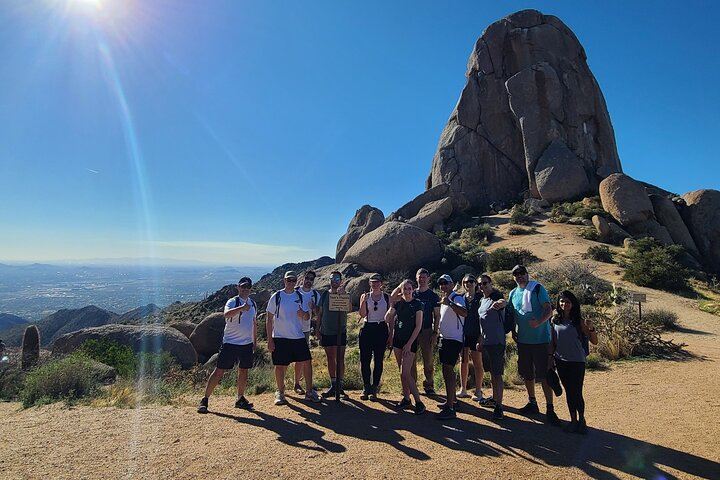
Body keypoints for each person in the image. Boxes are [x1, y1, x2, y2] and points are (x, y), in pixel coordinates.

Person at [506, 264, 560, 425]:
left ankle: (550, 408)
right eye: (516, 274)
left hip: (541, 339)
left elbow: (548, 309)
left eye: (522, 273)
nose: (519, 276)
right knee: (527, 373)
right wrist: (513, 330)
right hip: (523, 340)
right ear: (513, 277)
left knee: (544, 374)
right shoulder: (513, 293)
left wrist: (539, 322)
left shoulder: (537, 288)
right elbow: (513, 313)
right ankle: (532, 402)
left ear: (527, 274)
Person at [198, 277, 257, 414]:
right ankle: (205, 399)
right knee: (219, 371)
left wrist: (255, 341)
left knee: (243, 371)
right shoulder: (232, 301)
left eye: (248, 287)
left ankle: (240, 398)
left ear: (250, 288)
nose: (245, 289)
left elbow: (254, 323)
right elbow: (226, 314)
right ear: (238, 287)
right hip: (230, 343)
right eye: (243, 287)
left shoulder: (253, 304)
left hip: (246, 344)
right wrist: (242, 308)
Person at [266, 271, 321, 405]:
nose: (291, 283)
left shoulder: (300, 296)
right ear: (284, 280)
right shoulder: (277, 296)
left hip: (297, 336)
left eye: (293, 280)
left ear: (296, 281)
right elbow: (269, 319)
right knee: (280, 365)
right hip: (280, 336)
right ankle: (280, 392)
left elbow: (308, 316)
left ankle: (309, 392)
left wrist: (304, 314)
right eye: (288, 280)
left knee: (307, 361)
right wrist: (270, 340)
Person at [551, 290, 598, 434]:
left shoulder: (579, 321)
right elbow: (553, 341)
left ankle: (581, 420)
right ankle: (573, 420)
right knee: (569, 391)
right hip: (561, 360)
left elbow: (594, 341)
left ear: (573, 304)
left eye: (568, 302)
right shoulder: (555, 320)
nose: (564, 304)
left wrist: (591, 328)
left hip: (577, 361)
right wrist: (549, 359)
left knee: (576, 391)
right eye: (562, 301)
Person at [386, 279, 426, 414]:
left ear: (413, 289)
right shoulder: (399, 303)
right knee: (402, 373)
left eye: (409, 288)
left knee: (405, 372)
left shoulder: (417, 304)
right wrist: (400, 286)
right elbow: (391, 298)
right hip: (398, 341)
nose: (407, 291)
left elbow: (418, 326)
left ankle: (419, 402)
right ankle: (406, 398)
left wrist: (409, 344)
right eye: (405, 289)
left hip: (410, 342)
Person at [435, 274, 467, 420]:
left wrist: (450, 303)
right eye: (441, 283)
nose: (443, 286)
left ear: (452, 284)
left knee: (448, 369)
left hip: (454, 339)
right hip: (445, 339)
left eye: (446, 283)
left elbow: (464, 313)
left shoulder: (456, 298)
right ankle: (452, 400)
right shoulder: (445, 300)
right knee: (446, 369)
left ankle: (450, 408)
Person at [476, 274, 507, 420]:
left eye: (485, 283)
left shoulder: (496, 296)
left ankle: (499, 407)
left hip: (497, 342)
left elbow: (502, 302)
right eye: (480, 284)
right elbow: (483, 323)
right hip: (486, 342)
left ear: (491, 283)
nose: (482, 286)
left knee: (497, 374)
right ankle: (495, 399)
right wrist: (481, 339)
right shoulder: (482, 300)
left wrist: (502, 303)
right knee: (492, 373)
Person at [358, 273, 390, 401]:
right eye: (373, 282)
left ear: (381, 283)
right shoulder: (365, 296)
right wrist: (364, 302)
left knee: (378, 360)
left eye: (377, 282)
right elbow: (362, 313)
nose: (375, 284)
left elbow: (391, 316)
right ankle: (366, 387)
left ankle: (374, 388)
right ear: (370, 284)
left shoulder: (387, 297)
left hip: (381, 328)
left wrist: (391, 334)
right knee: (365, 360)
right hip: (367, 328)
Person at [317, 271, 349, 398]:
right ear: (329, 281)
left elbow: (350, 308)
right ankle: (333, 384)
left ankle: (340, 386)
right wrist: (317, 329)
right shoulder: (325, 295)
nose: (334, 281)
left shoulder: (345, 294)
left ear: (340, 281)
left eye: (337, 279)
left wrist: (343, 296)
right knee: (330, 357)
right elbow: (319, 313)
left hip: (341, 331)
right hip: (327, 331)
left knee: (340, 358)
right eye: (332, 279)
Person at [411, 268, 441, 395]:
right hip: (411, 331)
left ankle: (429, 385)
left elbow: (437, 316)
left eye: (424, 277)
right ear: (416, 278)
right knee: (411, 360)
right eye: (419, 277)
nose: (422, 279)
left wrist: (435, 333)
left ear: (428, 279)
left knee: (428, 360)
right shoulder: (412, 294)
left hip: (427, 330)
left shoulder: (433, 296)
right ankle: (412, 385)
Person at [458, 274, 485, 402]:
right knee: (463, 361)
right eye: (465, 282)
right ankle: (463, 389)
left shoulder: (480, 298)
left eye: (470, 281)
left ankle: (478, 390)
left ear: (475, 283)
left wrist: (481, 335)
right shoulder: (461, 298)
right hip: (463, 334)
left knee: (477, 362)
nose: (468, 284)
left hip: (476, 333)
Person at [293, 270, 320, 395]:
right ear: (302, 278)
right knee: (285, 360)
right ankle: (281, 388)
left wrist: (314, 307)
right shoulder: (295, 292)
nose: (309, 281)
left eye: (311, 279)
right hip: (291, 329)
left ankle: (297, 384)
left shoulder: (315, 294)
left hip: (305, 330)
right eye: (307, 278)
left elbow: (318, 313)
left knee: (302, 358)